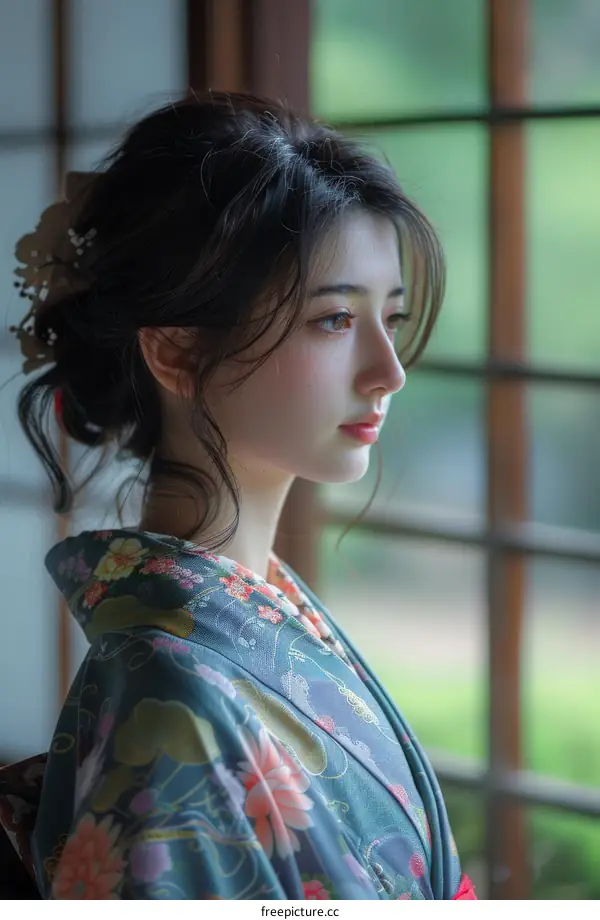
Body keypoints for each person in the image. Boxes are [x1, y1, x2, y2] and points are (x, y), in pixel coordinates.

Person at [0, 92, 476, 900]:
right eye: (333, 320)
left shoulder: (253, 621)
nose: (388, 372)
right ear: (178, 353)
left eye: (389, 319)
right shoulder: (169, 696)